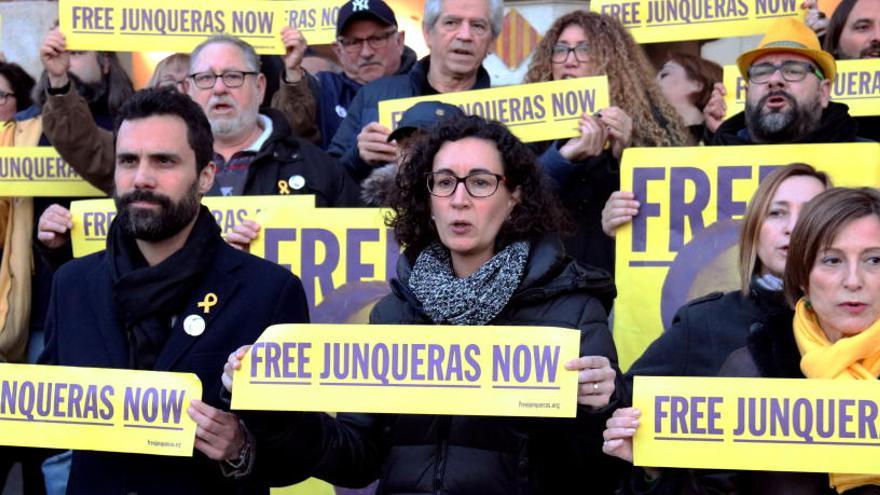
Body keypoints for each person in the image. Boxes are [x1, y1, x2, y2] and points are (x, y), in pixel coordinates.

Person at [224, 115, 625, 494]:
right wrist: (270, 406)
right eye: (445, 182)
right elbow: (355, 460)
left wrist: (598, 413)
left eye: (481, 182)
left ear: (514, 197)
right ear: (427, 199)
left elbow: (602, 473)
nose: (460, 199)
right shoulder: (395, 314)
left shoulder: (571, 312)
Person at [40, 87, 310, 494]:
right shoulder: (72, 284)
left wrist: (241, 446)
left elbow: (300, 452)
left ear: (205, 176)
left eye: (164, 161)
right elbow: (42, 418)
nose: (142, 178)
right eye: (128, 161)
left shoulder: (269, 292)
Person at [606, 186, 880, 494]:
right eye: (832, 260)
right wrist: (656, 469)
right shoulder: (750, 366)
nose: (854, 280)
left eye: (874, 260)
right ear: (802, 274)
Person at [37, 33, 361, 254]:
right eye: (205, 78)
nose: (219, 89)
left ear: (260, 86)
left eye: (233, 76)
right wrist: (63, 241)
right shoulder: (152, 161)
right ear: (189, 90)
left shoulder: (316, 166)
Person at [521, 10, 691, 273]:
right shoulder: (530, 125)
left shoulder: (651, 121)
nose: (570, 60)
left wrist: (627, 154)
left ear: (611, 59)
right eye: (561, 50)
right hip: (547, 280)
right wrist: (562, 158)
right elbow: (515, 200)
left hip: (617, 279)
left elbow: (677, 205)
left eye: (584, 49)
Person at [328, 0, 502, 184]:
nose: (465, 35)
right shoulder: (372, 95)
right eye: (451, 23)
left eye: (478, 25)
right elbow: (327, 178)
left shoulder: (511, 110)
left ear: (492, 42)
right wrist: (357, 157)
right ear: (427, 33)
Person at [272, 0, 417, 150]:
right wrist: (293, 72)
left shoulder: (427, 81)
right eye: (354, 42)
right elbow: (288, 132)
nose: (366, 52)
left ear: (399, 41)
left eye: (377, 39)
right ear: (338, 50)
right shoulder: (324, 89)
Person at [702, 17, 869, 144]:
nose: (774, 80)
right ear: (746, 94)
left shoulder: (870, 160)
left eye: (793, 70)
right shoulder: (715, 159)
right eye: (762, 72)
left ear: (823, 92)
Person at [360, 100, 464, 206]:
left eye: (426, 143)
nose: (412, 152)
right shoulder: (375, 202)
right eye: (406, 143)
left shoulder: (472, 202)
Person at [655, 52, 723, 142]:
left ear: (696, 84)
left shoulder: (717, 139)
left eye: (664, 74)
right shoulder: (651, 133)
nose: (654, 80)